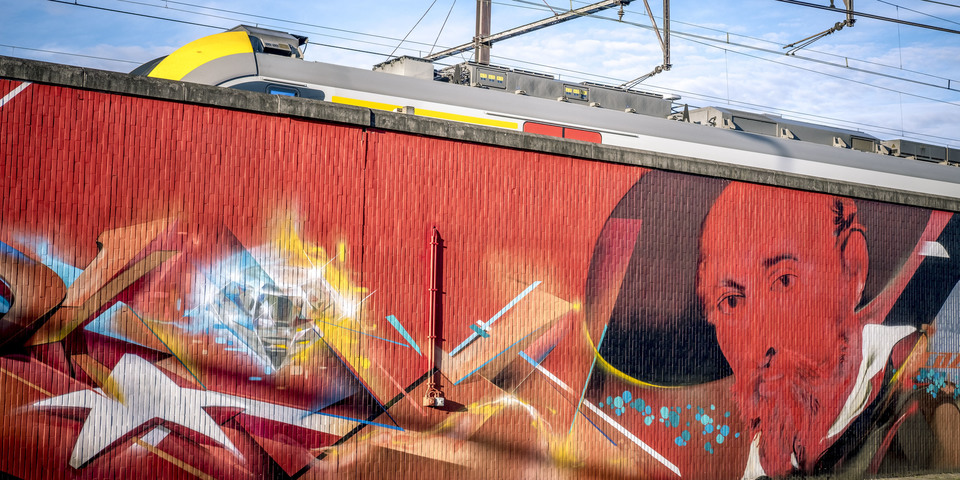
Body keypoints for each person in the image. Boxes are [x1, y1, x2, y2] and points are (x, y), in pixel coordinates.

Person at [695, 182, 944, 478]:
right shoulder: (763, 452)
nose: (758, 344)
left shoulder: (922, 408)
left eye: (784, 281)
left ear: (852, 266)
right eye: (732, 301)